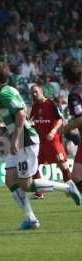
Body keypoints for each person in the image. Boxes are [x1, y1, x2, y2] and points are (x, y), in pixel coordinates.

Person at [0, 62, 80, 230]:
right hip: (21, 139)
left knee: (27, 185)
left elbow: (21, 115)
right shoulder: (11, 90)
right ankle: (30, 218)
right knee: (10, 180)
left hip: (26, 140)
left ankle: (68, 187)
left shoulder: (4, 95)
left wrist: (15, 139)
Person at [30, 84, 71, 199]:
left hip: (53, 141)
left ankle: (72, 189)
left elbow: (59, 120)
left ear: (41, 91)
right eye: (32, 93)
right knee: (33, 166)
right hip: (40, 142)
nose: (34, 94)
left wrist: (53, 132)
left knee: (63, 166)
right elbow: (32, 121)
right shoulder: (34, 107)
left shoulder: (51, 104)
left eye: (36, 92)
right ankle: (40, 192)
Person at [62, 61, 82, 194]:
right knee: (76, 177)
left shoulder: (74, 96)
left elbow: (81, 118)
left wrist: (65, 128)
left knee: (76, 176)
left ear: (65, 79)